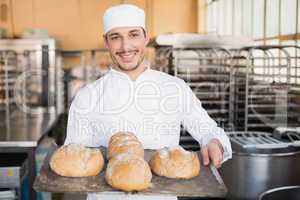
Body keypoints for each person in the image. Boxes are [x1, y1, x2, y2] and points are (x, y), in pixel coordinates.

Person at [64, 4, 232, 200]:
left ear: (145, 37)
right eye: (116, 37)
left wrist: (215, 143)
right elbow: (74, 157)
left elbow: (208, 130)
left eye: (133, 34)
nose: (125, 47)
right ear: (106, 42)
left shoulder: (174, 88)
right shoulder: (88, 95)